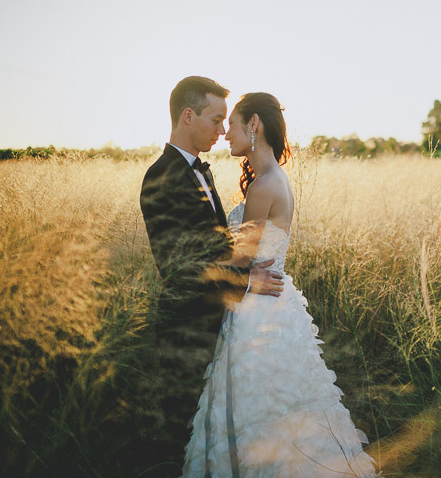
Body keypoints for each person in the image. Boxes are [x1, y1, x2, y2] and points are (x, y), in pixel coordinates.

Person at [181, 92, 380, 477]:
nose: (225, 134)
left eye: (233, 124)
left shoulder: (262, 188)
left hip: (256, 307)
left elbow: (238, 263)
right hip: (277, 301)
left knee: (258, 406)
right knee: (285, 402)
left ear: (253, 125)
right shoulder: (275, 180)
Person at [139, 76, 284, 471]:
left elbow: (215, 248)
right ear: (188, 116)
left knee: (211, 435)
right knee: (182, 439)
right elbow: (177, 268)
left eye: (226, 121)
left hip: (215, 323)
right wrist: (247, 281)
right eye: (216, 119)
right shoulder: (162, 177)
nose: (223, 130)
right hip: (185, 330)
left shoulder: (199, 172)